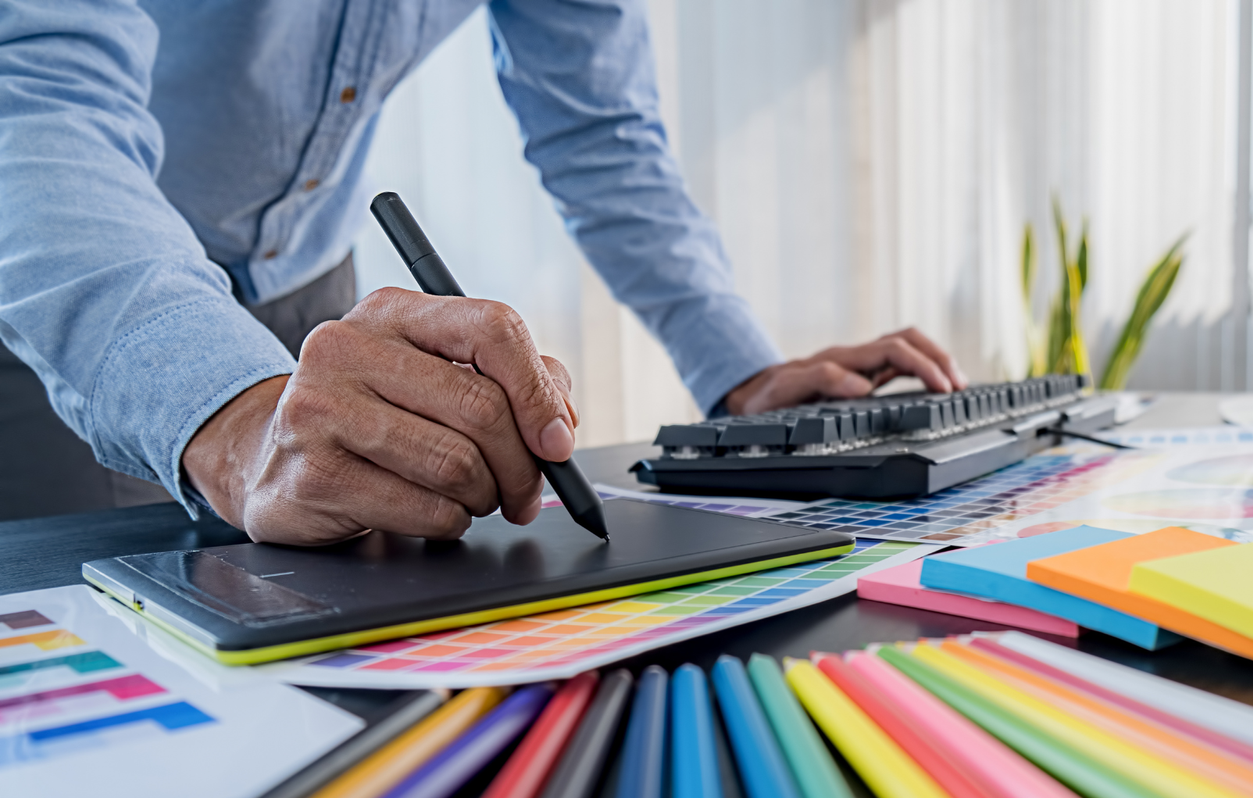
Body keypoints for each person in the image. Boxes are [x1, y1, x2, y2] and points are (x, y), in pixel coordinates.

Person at [0, 0, 967, 542]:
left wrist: (741, 372)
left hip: (311, 296)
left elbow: (599, 127)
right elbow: (31, 97)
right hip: (66, 286)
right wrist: (230, 414)